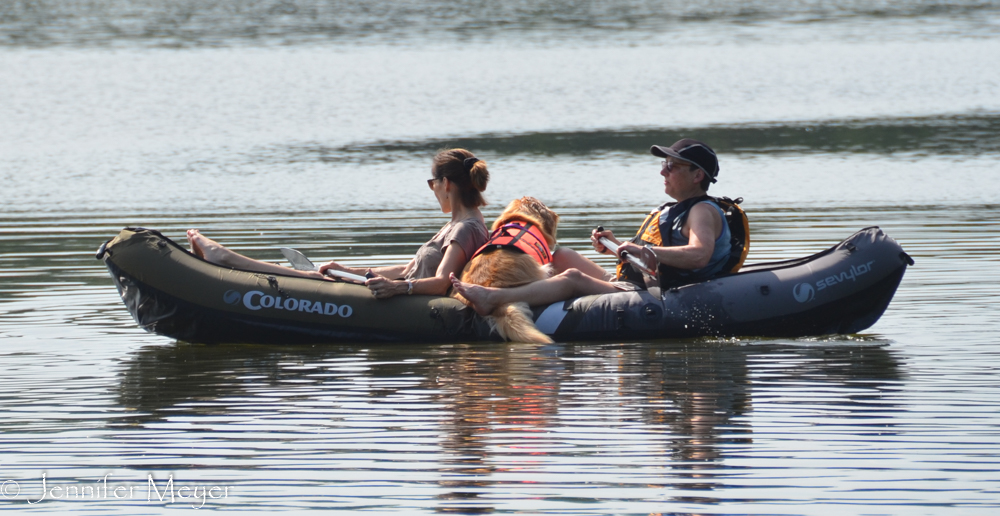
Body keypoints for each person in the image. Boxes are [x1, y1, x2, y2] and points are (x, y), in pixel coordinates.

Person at [451, 138, 735, 315]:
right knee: (560, 255)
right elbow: (650, 256)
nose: (663, 171)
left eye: (672, 166)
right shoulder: (673, 209)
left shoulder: (701, 210)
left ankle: (495, 298)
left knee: (572, 276)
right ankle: (533, 301)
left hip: (654, 292)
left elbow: (699, 254)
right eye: (665, 163)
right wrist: (616, 246)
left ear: (698, 175)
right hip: (632, 281)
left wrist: (649, 252)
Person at [186, 148, 490, 299]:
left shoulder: (465, 228)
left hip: (405, 301)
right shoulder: (458, 223)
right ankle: (224, 260)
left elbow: (442, 282)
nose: (432, 189)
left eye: (432, 183)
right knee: (322, 275)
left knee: (316, 282)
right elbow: (405, 268)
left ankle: (224, 258)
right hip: (395, 292)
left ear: (446, 183)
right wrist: (348, 270)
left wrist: (398, 289)